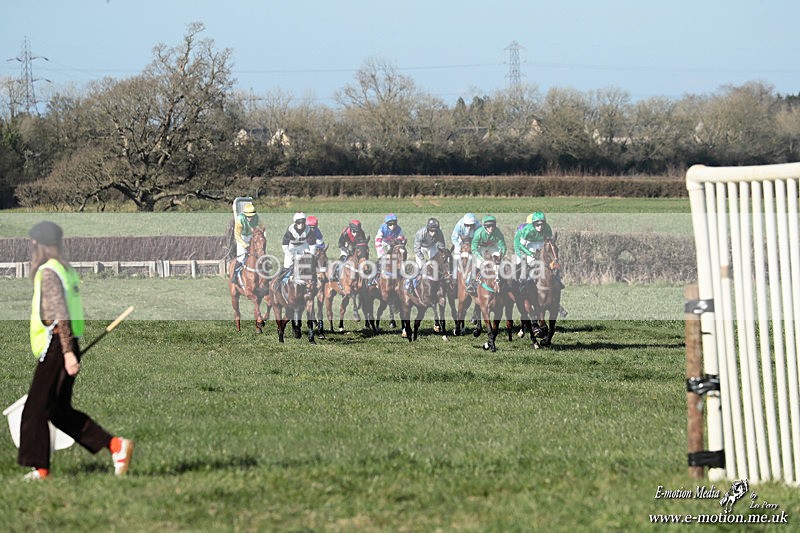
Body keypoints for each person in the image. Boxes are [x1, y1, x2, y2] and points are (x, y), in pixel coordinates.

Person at [19, 221, 133, 481]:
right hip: (66, 345)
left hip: (58, 345)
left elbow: (61, 315)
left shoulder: (48, 272)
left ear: (38, 245)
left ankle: (40, 470)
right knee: (58, 411)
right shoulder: (64, 270)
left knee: (35, 410)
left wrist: (68, 352)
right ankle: (116, 446)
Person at [467, 215, 507, 295]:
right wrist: (481, 259)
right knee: (478, 264)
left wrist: (500, 257)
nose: (491, 228)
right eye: (488, 226)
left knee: (499, 264)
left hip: (493, 247)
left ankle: (505, 283)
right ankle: (472, 284)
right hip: (481, 248)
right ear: (484, 226)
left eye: (492, 226)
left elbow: (503, 247)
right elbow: (474, 248)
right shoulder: (478, 233)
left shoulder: (498, 232)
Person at [231, 202, 262, 283]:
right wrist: (245, 245)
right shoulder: (240, 219)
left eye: (251, 216)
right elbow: (237, 235)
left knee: (260, 254)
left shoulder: (257, 217)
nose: (250, 218)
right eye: (248, 216)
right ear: (245, 214)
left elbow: (262, 227)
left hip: (252, 236)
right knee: (241, 258)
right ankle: (234, 276)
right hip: (242, 237)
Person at [277, 212, 311, 281]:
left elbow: (313, 245)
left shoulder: (308, 229)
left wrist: (311, 254)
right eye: (298, 223)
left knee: (309, 265)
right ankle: (281, 282)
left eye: (302, 223)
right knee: (287, 267)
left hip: (303, 246)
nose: (301, 225)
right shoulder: (290, 229)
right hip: (291, 247)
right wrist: (292, 257)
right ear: (295, 223)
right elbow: (284, 247)